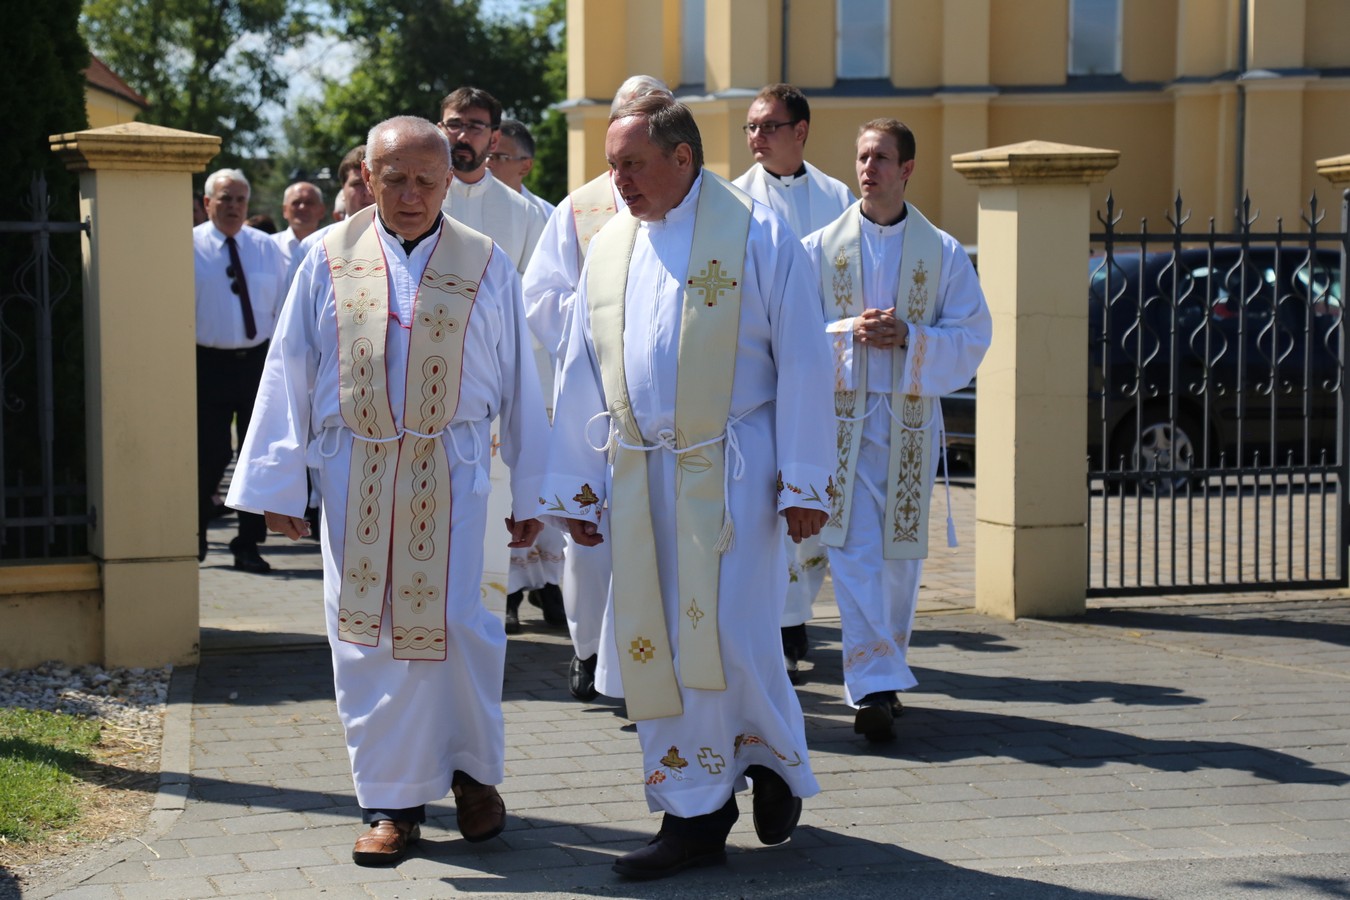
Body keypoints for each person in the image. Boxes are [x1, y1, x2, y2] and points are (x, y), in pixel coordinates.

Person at [225, 116, 551, 866]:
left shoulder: (486, 261)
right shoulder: (325, 257)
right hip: (358, 476)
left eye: (425, 181)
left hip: (460, 476)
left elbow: (522, 384)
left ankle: (474, 780)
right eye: (394, 179)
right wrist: (281, 481)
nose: (410, 195)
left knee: (462, 631)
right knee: (368, 638)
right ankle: (392, 803)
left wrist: (532, 491)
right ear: (368, 178)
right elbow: (292, 368)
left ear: (450, 180)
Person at [543, 94, 835, 879]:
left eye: (631, 164)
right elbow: (579, 371)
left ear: (682, 158)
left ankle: (766, 760)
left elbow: (808, 356)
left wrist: (806, 478)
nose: (619, 180)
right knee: (659, 645)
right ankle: (694, 813)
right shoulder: (609, 247)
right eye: (611, 166)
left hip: (733, 471)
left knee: (732, 636)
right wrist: (574, 489)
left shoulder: (756, 232)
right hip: (637, 475)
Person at [801, 119, 991, 742]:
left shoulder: (940, 252)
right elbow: (791, 333)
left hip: (908, 424)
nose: (868, 167)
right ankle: (873, 686)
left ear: (907, 168)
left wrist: (911, 337)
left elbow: (972, 335)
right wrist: (847, 333)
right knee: (851, 550)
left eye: (881, 157)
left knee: (898, 559)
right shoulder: (818, 248)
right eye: (861, 156)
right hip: (841, 424)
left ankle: (888, 666)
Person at [522, 74, 672, 701]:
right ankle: (588, 651)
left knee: (661, 544)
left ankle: (653, 662)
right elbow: (540, 296)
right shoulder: (580, 209)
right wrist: (603, 320)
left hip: (668, 420)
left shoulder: (700, 210)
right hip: (600, 411)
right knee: (593, 541)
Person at [733, 82, 854, 685]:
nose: (756, 137)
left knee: (816, 503)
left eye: (768, 126)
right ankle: (778, 627)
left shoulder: (838, 198)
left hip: (826, 374)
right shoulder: (734, 201)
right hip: (761, 378)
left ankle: (799, 615)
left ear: (800, 132)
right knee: (767, 500)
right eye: (751, 127)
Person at [194, 168, 289, 572]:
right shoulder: (188, 247)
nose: (233, 207)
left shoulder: (267, 248)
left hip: (257, 363)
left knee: (257, 456)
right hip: (205, 362)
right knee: (210, 455)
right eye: (225, 198)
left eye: (239, 200)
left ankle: (248, 542)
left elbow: (284, 309)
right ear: (207, 203)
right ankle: (193, 533)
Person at [438, 87, 548, 275]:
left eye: (475, 127)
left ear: (494, 139)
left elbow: (533, 291)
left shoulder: (524, 213)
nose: (463, 136)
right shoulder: (416, 202)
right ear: (440, 131)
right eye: (454, 125)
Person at [287, 146, 375, 286]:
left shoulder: (406, 243)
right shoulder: (313, 247)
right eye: (357, 183)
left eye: (372, 182)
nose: (368, 192)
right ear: (343, 191)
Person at [488, 118, 553, 218]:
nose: (487, 163)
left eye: (498, 157)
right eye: (484, 155)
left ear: (525, 166)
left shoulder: (547, 217)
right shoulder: (459, 205)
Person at [271, 181, 327, 275]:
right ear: (285, 210)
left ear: (321, 210)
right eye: (296, 202)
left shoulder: (330, 244)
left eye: (309, 203)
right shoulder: (270, 246)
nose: (302, 207)